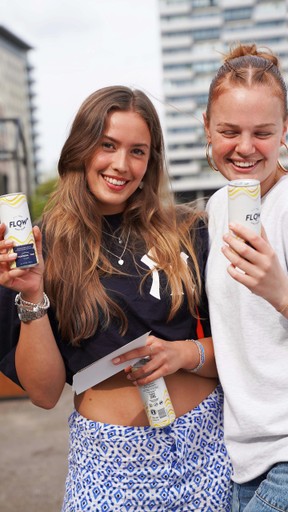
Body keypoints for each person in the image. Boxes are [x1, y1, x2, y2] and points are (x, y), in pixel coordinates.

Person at [0, 86, 232, 511]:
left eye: (138, 151)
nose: (121, 165)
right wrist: (33, 293)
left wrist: (184, 352)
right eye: (108, 145)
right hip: (109, 466)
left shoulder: (191, 232)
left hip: (207, 452)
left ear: (152, 161)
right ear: (81, 148)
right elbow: (44, 393)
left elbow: (244, 352)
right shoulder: (36, 248)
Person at [203, 43, 288, 512]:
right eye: (229, 131)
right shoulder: (219, 207)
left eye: (263, 132)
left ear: (284, 132)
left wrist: (282, 294)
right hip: (241, 458)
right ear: (207, 129)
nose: (245, 147)